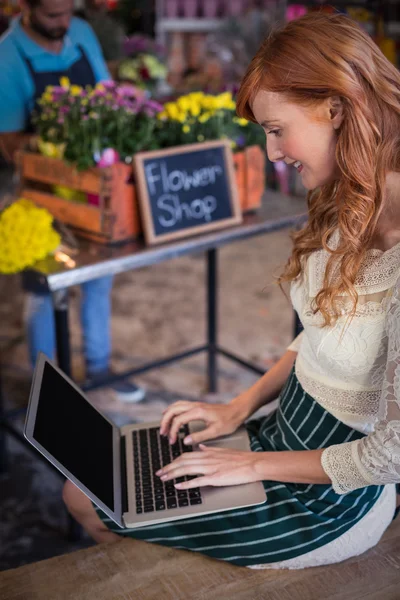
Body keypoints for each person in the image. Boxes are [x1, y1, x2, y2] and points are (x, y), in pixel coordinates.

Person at [63, 13, 400, 568]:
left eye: (275, 129)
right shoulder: (352, 199)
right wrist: (237, 408)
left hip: (329, 501)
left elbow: (390, 455)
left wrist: (248, 467)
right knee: (100, 477)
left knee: (90, 498)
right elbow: (318, 338)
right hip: (278, 437)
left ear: (335, 108)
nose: (272, 153)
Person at [0, 0, 145, 402]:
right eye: (52, 16)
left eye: (68, 13)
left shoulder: (80, 32)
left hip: (93, 187)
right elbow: (9, 141)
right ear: (26, 8)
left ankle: (99, 368)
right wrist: (56, 145)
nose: (63, 24)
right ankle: (44, 389)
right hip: (42, 192)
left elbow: (105, 96)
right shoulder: (7, 55)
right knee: (44, 291)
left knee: (100, 278)